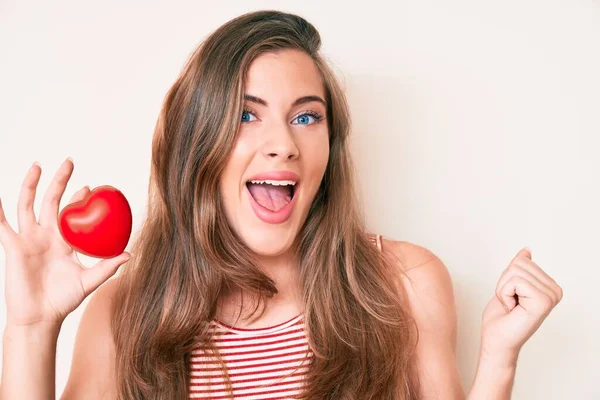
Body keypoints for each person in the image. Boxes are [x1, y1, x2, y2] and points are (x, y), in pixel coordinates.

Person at [0, 10, 562, 400]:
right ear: (200, 144)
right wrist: (30, 328)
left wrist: (499, 358)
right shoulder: (128, 311)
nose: (283, 143)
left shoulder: (405, 283)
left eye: (306, 116)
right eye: (247, 114)